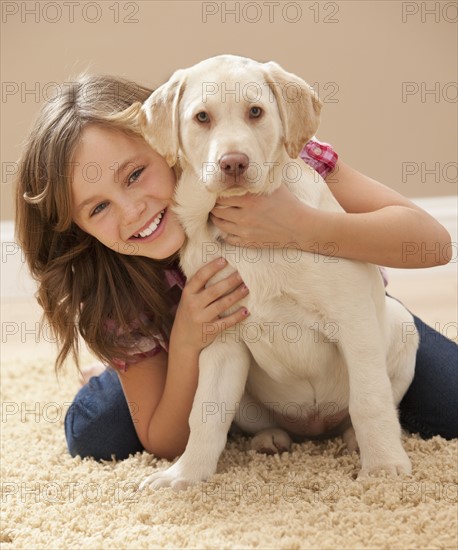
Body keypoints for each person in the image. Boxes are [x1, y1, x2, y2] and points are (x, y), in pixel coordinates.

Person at [15, 74, 457, 462]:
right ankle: (113, 372)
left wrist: (302, 226)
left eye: (134, 175)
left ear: (168, 145)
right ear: (77, 229)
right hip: (191, 353)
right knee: (100, 433)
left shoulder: (273, 161)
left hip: (338, 315)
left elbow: (432, 243)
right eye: (98, 208)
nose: (132, 211)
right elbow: (165, 443)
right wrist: (186, 341)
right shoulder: (113, 284)